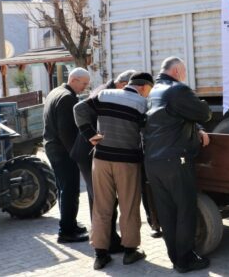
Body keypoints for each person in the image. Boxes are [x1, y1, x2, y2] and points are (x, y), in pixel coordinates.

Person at [78, 72, 154, 270]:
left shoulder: (105, 94)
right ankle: (130, 252)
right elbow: (147, 133)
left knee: (102, 207)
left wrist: (90, 135)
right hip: (127, 162)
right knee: (129, 206)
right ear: (145, 87)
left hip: (101, 160)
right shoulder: (143, 104)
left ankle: (100, 255)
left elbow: (79, 109)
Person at [143, 57, 212, 273]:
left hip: (153, 162)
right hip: (176, 161)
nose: (184, 76)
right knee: (185, 210)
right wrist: (201, 121)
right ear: (177, 71)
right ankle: (185, 260)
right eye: (183, 72)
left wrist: (197, 128)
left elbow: (174, 118)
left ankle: (175, 257)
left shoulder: (152, 93)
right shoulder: (178, 90)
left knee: (167, 212)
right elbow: (203, 113)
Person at [72, 70, 137, 254]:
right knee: (103, 203)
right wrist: (91, 135)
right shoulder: (104, 94)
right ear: (122, 85)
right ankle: (107, 245)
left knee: (102, 202)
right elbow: (79, 109)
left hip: (96, 154)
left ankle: (107, 244)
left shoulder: (108, 91)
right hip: (89, 153)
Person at [42, 67, 91, 243]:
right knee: (70, 189)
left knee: (65, 188)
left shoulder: (55, 92)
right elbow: (66, 131)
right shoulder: (67, 98)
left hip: (53, 147)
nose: (85, 88)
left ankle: (70, 223)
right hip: (62, 150)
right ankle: (66, 232)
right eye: (84, 84)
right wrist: (76, 153)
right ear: (74, 80)